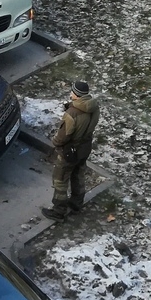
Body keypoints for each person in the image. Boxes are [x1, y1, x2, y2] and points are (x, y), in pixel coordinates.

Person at [42, 81, 101, 221]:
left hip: (70, 151)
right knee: (78, 176)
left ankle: (58, 211)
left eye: (72, 92)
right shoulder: (94, 107)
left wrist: (55, 142)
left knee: (60, 180)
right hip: (85, 148)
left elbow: (63, 136)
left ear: (77, 95)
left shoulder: (72, 113)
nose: (70, 94)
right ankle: (76, 204)